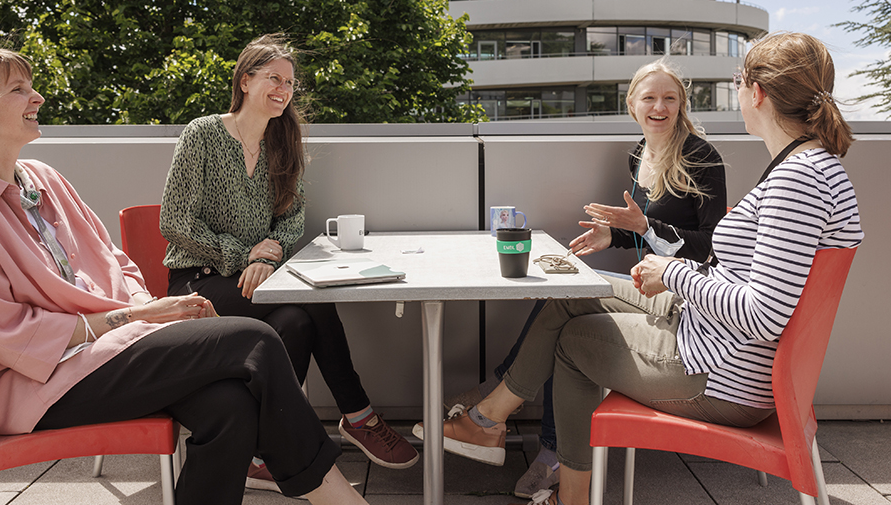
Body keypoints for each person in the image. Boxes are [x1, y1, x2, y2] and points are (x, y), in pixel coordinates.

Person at [0, 46, 370, 505]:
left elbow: (115, 261)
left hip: (118, 349)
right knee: (256, 339)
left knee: (232, 407)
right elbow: (6, 335)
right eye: (18, 89)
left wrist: (145, 312)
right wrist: (136, 316)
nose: (38, 97)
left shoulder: (43, 178)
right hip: (50, 382)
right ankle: (340, 499)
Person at [422, 31, 863, 505]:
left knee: (572, 343)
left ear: (756, 92)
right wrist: (636, 244)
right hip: (712, 336)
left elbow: (763, 312)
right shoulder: (808, 168)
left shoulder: (796, 181)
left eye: (738, 80)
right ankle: (489, 421)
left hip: (717, 374)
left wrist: (671, 273)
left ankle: (519, 450)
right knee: (572, 297)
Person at [446, 59, 727, 498]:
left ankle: (502, 413)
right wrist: (611, 234)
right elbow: (642, 232)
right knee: (566, 294)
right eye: (649, 98)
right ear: (632, 104)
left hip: (685, 299)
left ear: (682, 105)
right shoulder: (639, 153)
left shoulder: (702, 157)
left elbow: (710, 249)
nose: (660, 106)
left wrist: (640, 229)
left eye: (670, 98)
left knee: (570, 314)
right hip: (645, 285)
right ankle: (520, 433)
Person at [159, 35, 418, 489]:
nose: (283, 89)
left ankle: (259, 450)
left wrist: (272, 251)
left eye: (290, 83)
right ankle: (358, 415)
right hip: (197, 281)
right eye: (273, 78)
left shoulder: (284, 142)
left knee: (297, 319)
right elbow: (174, 221)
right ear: (245, 80)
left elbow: (290, 216)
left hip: (256, 278)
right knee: (312, 302)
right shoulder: (202, 134)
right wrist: (245, 257)